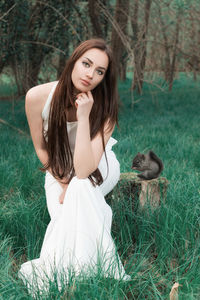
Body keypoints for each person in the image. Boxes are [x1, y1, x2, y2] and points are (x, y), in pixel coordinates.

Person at [18, 38, 130, 294]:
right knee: (67, 212)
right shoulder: (37, 97)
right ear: (74, 61)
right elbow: (41, 148)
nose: (90, 74)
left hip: (99, 163)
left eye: (99, 71)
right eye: (86, 64)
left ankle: (66, 281)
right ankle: (94, 276)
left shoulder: (106, 108)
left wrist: (83, 116)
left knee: (81, 186)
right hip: (57, 167)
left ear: (105, 77)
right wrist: (62, 181)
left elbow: (84, 169)